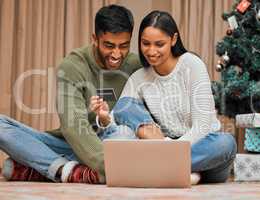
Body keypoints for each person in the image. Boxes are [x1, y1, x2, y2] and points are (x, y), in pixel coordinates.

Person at [0, 5, 148, 184]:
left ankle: (48, 168)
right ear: (95, 38)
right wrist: (110, 165)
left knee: (124, 135)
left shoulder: (136, 65)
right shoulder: (73, 66)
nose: (116, 54)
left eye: (124, 46)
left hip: (113, 139)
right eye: (109, 46)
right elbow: (73, 125)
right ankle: (69, 170)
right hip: (71, 143)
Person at [92, 10, 237, 184]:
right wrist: (105, 118)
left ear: (173, 39)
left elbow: (203, 126)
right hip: (162, 146)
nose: (151, 51)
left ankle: (155, 169)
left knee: (226, 143)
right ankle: (175, 173)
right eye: (146, 43)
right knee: (126, 105)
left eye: (159, 44)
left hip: (200, 149)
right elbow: (117, 123)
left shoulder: (191, 64)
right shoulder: (139, 77)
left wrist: (170, 151)